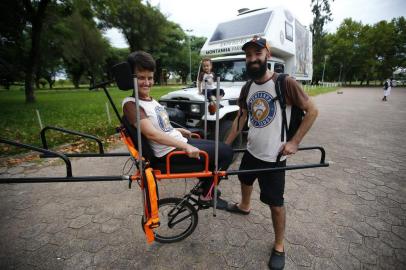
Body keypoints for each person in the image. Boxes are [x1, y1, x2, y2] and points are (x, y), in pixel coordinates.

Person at [225, 36, 318, 270]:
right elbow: (242, 117)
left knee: (275, 204)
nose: (253, 59)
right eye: (248, 55)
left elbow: (313, 110)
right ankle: (245, 206)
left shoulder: (285, 83)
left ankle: (279, 245)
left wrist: (294, 142)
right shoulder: (247, 87)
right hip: (252, 151)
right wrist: (225, 147)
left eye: (257, 54)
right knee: (244, 179)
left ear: (267, 55)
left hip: (275, 157)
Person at [122, 51, 233, 209]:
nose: (146, 82)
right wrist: (185, 146)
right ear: (131, 78)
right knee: (227, 153)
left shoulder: (149, 100)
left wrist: (178, 131)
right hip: (169, 152)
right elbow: (151, 133)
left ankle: (205, 185)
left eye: (150, 77)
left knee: (217, 144)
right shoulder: (131, 104)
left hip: (177, 142)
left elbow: (160, 126)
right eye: (141, 77)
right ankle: (206, 194)